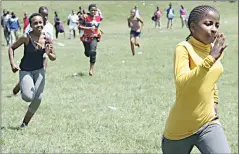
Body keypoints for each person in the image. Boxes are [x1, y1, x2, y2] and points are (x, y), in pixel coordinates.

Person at [162, 5, 231, 153]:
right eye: (208, 24)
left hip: (208, 122)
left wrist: (215, 100)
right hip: (179, 128)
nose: (214, 29)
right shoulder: (184, 48)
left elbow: (212, 79)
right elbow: (182, 83)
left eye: (217, 25)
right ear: (193, 28)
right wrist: (211, 58)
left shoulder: (213, 49)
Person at [8, 13, 56, 128]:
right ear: (31, 25)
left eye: (40, 22)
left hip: (39, 70)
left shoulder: (47, 38)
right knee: (28, 97)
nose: (38, 25)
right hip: (25, 70)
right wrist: (13, 64)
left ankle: (24, 123)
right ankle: (23, 84)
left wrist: (49, 54)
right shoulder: (26, 37)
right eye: (35, 23)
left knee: (38, 98)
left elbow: (54, 57)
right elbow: (11, 48)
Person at [13, 6, 53, 95]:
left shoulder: (50, 27)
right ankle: (22, 85)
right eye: (43, 15)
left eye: (46, 15)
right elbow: (27, 38)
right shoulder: (32, 25)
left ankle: (28, 86)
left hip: (44, 55)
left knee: (41, 73)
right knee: (30, 73)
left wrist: (47, 52)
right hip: (31, 55)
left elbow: (50, 45)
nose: (45, 17)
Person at [78, 4, 103, 76]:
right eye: (92, 10)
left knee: (93, 51)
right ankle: (86, 51)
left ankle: (91, 69)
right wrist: (88, 28)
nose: (93, 11)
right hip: (86, 38)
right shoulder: (85, 17)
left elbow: (100, 20)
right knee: (87, 53)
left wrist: (98, 30)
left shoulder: (98, 17)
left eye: (95, 10)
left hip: (94, 37)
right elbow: (79, 26)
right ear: (89, 10)